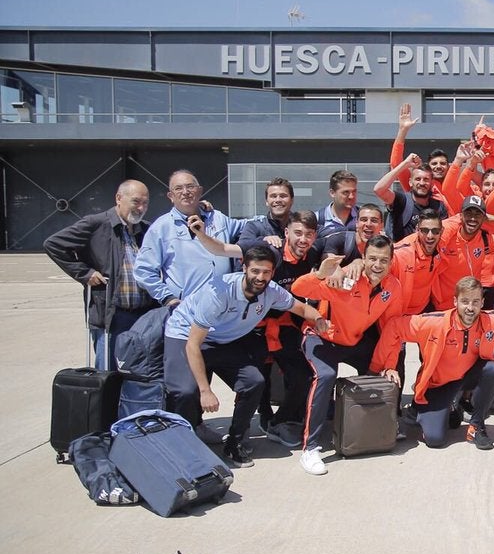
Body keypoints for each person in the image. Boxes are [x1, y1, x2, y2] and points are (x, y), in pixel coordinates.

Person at [162, 244, 328, 467]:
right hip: (185, 335)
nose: (261, 277)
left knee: (254, 381)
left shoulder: (271, 292)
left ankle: (235, 442)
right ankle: (184, 446)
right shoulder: (220, 294)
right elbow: (194, 344)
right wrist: (205, 391)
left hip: (222, 340)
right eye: (255, 271)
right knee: (185, 391)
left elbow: (300, 308)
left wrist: (318, 319)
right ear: (244, 268)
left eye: (267, 272)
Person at [375, 277, 494, 452]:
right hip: (439, 385)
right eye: (465, 301)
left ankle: (476, 427)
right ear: (455, 302)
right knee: (435, 440)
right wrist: (388, 365)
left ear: (483, 302)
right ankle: (445, 407)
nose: (470, 307)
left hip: (467, 379)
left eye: (476, 302)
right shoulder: (434, 323)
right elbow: (394, 327)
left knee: (491, 369)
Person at [289, 236, 407, 476]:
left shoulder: (393, 287)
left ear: (391, 261)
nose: (377, 265)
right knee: (326, 375)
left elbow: (392, 330)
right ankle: (310, 448)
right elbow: (298, 289)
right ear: (363, 259)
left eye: (384, 260)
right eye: (372, 258)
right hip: (322, 337)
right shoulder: (346, 280)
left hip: (353, 340)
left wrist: (390, 365)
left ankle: (375, 428)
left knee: (379, 372)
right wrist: (321, 274)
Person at [44, 179, 156, 370]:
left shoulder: (146, 230)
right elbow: (54, 244)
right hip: (112, 315)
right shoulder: (96, 224)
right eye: (136, 201)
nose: (141, 207)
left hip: (144, 315)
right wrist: (84, 273)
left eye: (145, 203)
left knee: (141, 371)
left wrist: (202, 212)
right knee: (109, 372)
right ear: (119, 198)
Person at [134, 169, 247, 311]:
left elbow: (249, 225)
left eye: (190, 187)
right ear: (171, 196)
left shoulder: (218, 218)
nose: (185, 192)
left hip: (223, 308)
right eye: (178, 188)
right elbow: (143, 271)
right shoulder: (161, 228)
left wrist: (274, 220)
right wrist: (168, 298)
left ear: (200, 191)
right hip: (186, 310)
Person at [316, 170, 359, 240]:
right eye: (346, 192)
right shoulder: (317, 220)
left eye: (354, 192)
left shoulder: (364, 219)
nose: (351, 196)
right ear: (332, 193)